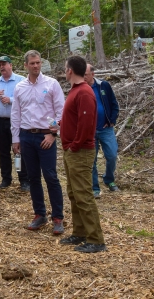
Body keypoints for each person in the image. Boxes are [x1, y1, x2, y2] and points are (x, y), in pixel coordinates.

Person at [11, 50, 65, 233]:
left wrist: (53, 134)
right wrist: (16, 139)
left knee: (50, 176)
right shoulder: (20, 87)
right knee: (33, 177)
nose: (35, 66)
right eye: (32, 63)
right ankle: (39, 214)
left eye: (38, 62)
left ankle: (57, 217)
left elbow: (59, 111)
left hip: (45, 136)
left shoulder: (51, 84)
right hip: (26, 136)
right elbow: (16, 114)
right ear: (25, 65)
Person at [58, 56, 106, 253]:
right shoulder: (75, 91)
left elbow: (86, 126)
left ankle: (96, 239)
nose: (65, 70)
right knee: (74, 192)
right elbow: (76, 119)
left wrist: (75, 145)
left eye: (65, 68)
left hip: (80, 152)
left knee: (83, 194)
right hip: (72, 150)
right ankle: (79, 232)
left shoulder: (84, 92)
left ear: (70, 71)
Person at [0, 55, 29, 192]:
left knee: (18, 151)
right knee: (3, 152)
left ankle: (23, 179)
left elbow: (27, 99)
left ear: (10, 65)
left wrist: (11, 99)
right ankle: (6, 179)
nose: (1, 67)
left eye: (4, 64)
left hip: (16, 122)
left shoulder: (21, 81)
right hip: (0, 122)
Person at [84, 64, 120, 198]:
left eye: (85, 75)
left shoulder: (104, 86)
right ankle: (95, 188)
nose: (83, 77)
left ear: (92, 74)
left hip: (106, 129)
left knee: (112, 155)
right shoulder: (81, 88)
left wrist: (111, 120)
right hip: (89, 131)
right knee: (91, 159)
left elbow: (114, 105)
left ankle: (109, 179)